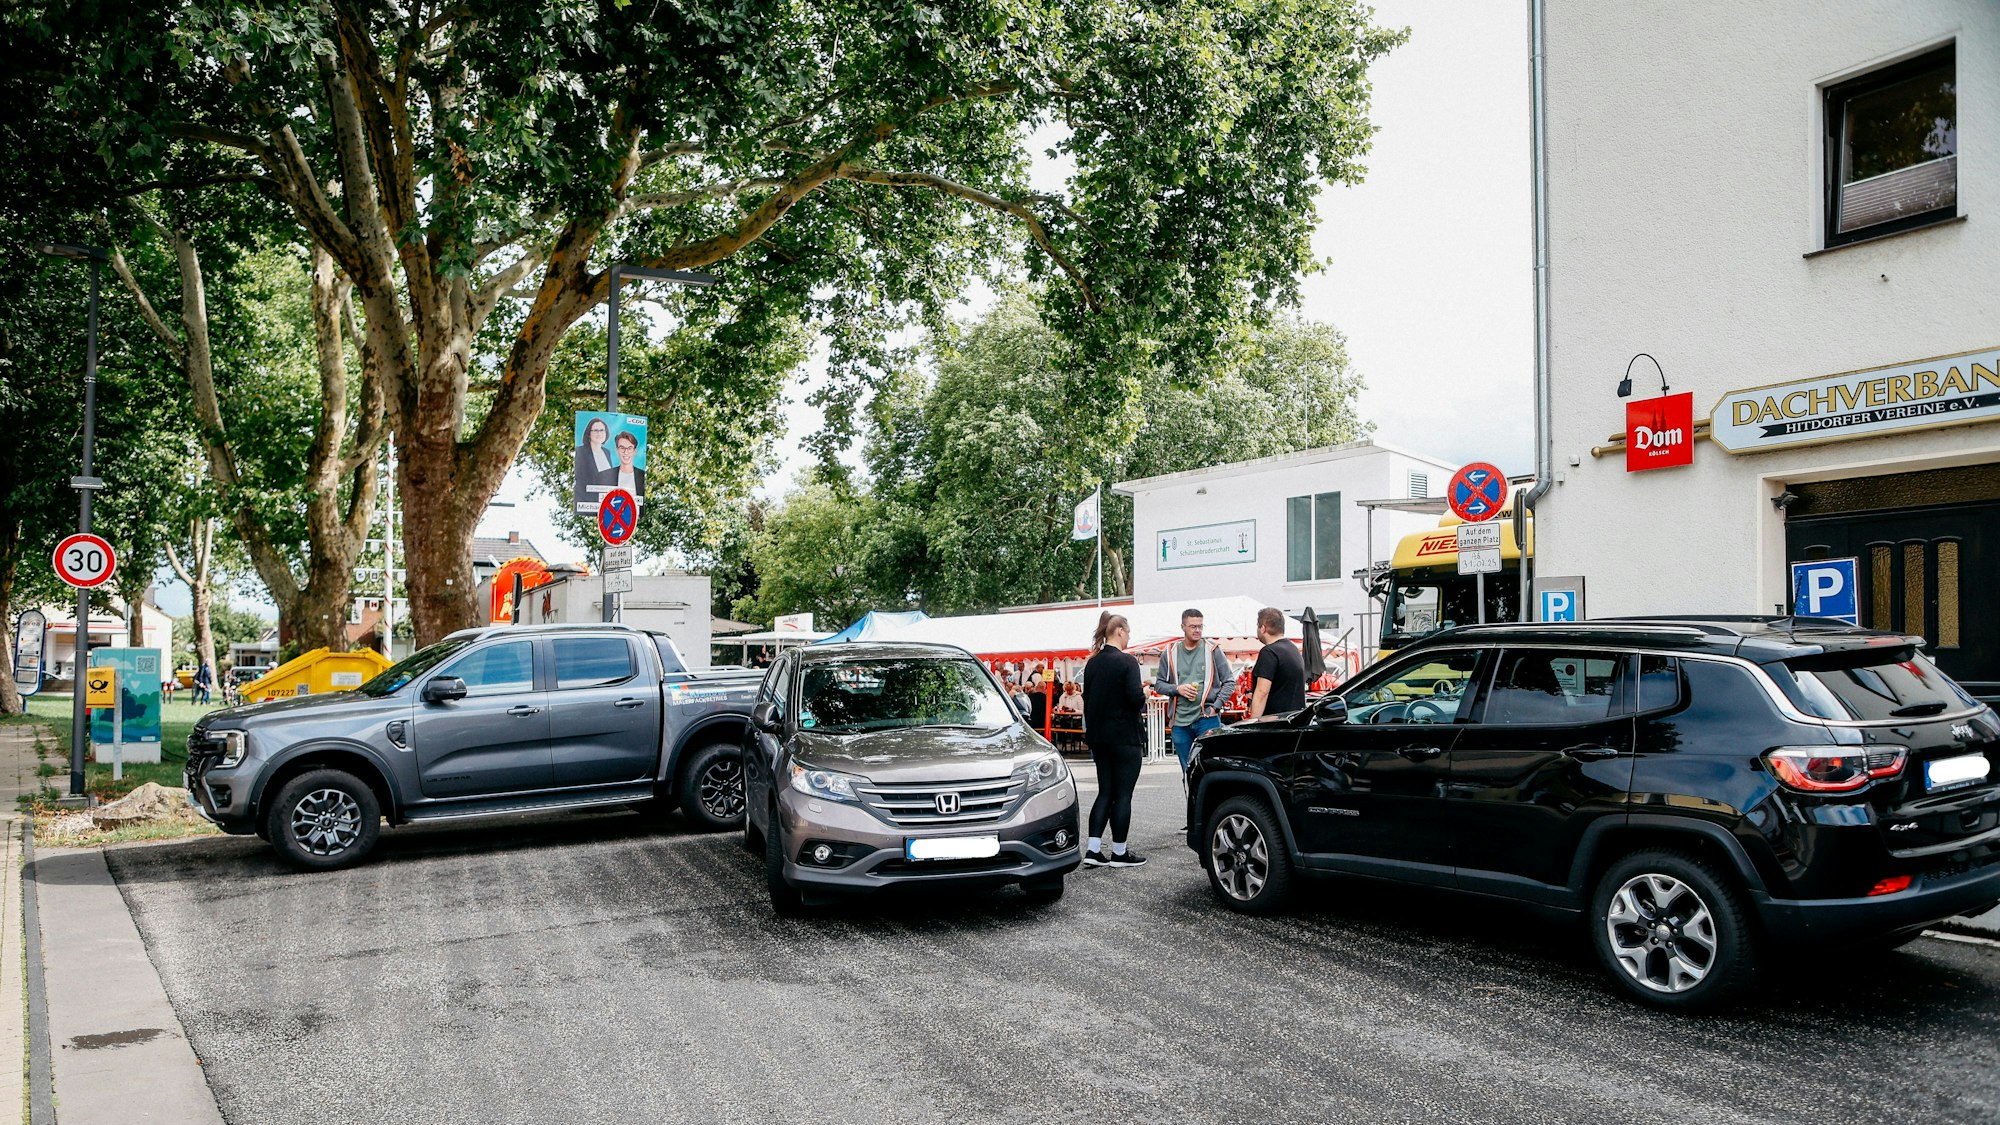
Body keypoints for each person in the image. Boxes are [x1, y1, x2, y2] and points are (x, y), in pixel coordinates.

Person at [1081, 612, 1148, 868]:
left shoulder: (1092, 663)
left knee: (1105, 792)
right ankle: (1119, 852)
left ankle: (1093, 849)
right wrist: (1143, 694)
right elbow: (1134, 698)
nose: (1129, 636)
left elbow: (1089, 699)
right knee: (1123, 795)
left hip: (1100, 737)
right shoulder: (1127, 662)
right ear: (1119, 631)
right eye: (1128, 631)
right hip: (1125, 736)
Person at [1152, 608, 1232, 770]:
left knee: (1211, 767)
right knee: (1188, 769)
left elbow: (1229, 682)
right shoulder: (1170, 652)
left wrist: (1216, 707)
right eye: (1193, 626)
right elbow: (1159, 684)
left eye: (1200, 626)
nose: (1198, 630)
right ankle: (1191, 796)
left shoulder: (1213, 649)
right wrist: (1177, 689)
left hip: (1207, 718)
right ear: (1183, 627)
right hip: (1180, 722)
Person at [1246, 606, 1308, 721]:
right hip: (1294, 720)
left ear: (1263, 628)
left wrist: (1252, 723)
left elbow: (1262, 692)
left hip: (1274, 724)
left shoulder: (1269, 652)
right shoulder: (1293, 650)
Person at [573, 417, 615, 509]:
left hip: (606, 501)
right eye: (595, 430)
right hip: (588, 502)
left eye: (601, 430)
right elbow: (579, 479)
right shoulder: (581, 452)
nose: (599, 433)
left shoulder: (607, 452)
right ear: (589, 433)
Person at [612, 430, 646, 502]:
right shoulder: (606, 475)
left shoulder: (643, 476)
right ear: (617, 450)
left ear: (635, 451)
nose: (626, 452)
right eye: (622, 448)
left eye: (629, 448)